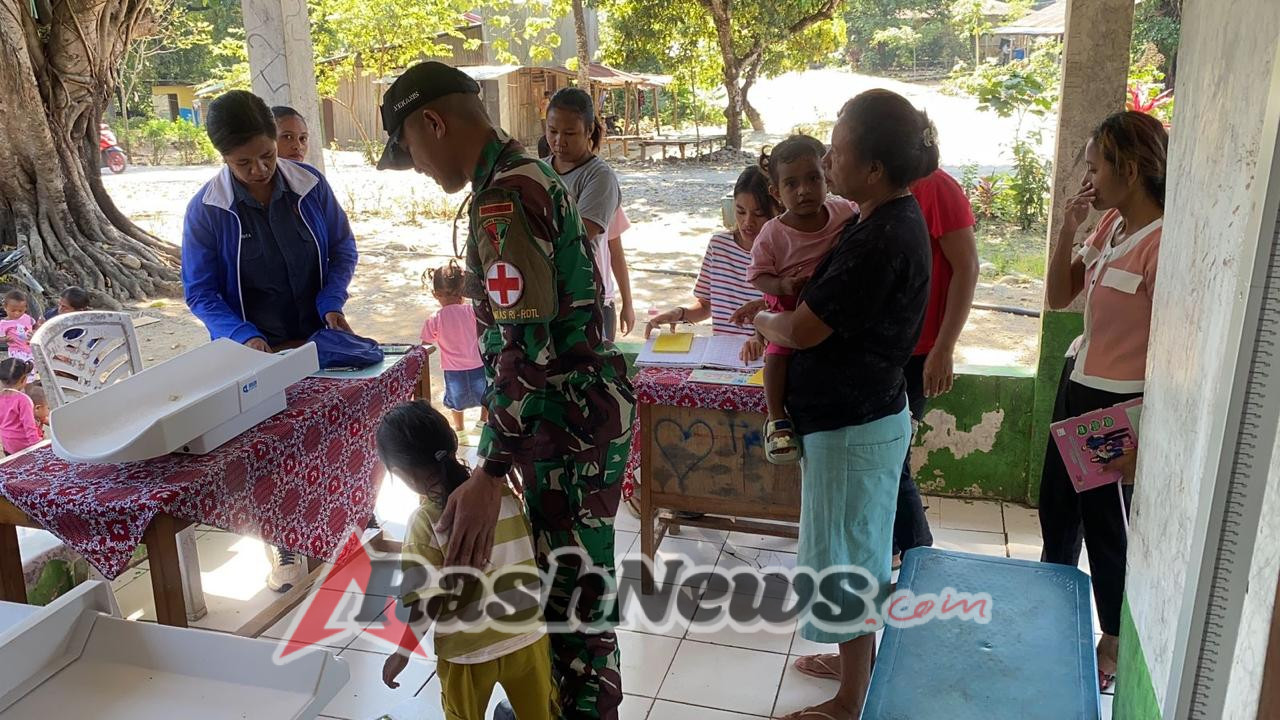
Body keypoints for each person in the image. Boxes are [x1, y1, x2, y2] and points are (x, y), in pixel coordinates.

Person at [377, 61, 635, 718]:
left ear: (432, 122)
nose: (420, 168)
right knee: (578, 615)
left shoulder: (502, 197)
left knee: (575, 631)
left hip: (562, 427)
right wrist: (472, 287)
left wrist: (490, 471)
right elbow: (551, 298)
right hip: (577, 419)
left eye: (410, 149)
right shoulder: (528, 174)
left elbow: (528, 349)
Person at [755, 89, 937, 720]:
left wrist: (763, 319)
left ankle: (849, 702)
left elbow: (803, 329)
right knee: (847, 548)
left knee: (848, 562)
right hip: (857, 419)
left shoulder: (881, 235)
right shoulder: (875, 218)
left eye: (837, 149)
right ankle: (852, 657)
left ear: (876, 168)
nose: (828, 161)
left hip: (854, 426)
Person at [181, 89, 359, 593]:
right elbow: (200, 291)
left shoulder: (309, 186)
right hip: (253, 350)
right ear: (222, 157)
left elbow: (343, 249)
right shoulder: (208, 210)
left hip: (316, 337)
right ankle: (284, 542)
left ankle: (341, 519)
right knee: (270, 449)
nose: (260, 169)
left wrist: (331, 300)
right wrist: (246, 337)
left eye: (267, 154)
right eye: (245, 162)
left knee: (329, 430)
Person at [1039, 110, 1167, 691]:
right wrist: (1070, 226)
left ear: (1131, 169)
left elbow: (1174, 351)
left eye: (1096, 167)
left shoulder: (1162, 242)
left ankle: (1110, 642)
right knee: (1057, 507)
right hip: (1078, 383)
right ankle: (1050, 608)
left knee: (1105, 525)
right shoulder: (1110, 224)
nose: (1088, 178)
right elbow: (1060, 295)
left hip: (1116, 404)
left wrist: (1151, 434)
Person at [378, 401, 554, 720]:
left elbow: (426, 604)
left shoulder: (425, 523)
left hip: (466, 653)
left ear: (402, 474)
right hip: (527, 637)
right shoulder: (499, 495)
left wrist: (402, 653)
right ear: (452, 442)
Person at [748, 136, 856, 465]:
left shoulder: (843, 211)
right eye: (791, 184)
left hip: (828, 311)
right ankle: (777, 418)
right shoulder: (773, 233)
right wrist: (781, 284)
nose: (804, 191)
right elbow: (757, 276)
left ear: (828, 177)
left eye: (813, 179)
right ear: (776, 193)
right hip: (788, 309)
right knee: (777, 356)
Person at [644, 166, 779, 341]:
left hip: (767, 357)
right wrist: (679, 313)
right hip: (721, 353)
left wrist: (759, 339)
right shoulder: (719, 246)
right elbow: (706, 305)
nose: (748, 222)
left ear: (777, 210)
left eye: (758, 214)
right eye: (740, 211)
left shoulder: (784, 252)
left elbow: (786, 312)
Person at [544, 88, 635, 343]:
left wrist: (627, 302)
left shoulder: (599, 177)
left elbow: (577, 236)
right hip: (545, 296)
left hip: (583, 299)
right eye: (552, 131)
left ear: (588, 132)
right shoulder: (538, 171)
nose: (559, 141)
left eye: (570, 133)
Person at [421, 261, 489, 433]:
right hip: (477, 364)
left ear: (435, 294)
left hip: (453, 369)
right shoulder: (471, 311)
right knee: (486, 396)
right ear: (463, 292)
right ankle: (482, 422)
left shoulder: (435, 318)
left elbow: (425, 344)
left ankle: (459, 428)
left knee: (455, 401)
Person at [0, 359, 43, 455]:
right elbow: (29, 427)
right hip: (23, 444)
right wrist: (38, 448)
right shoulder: (23, 400)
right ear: (23, 380)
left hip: (7, 444)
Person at [1, 291, 35, 365]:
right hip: (15, 351)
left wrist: (34, 332)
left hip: (30, 349)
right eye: (13, 311)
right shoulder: (3, 323)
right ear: (5, 308)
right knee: (19, 370)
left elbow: (35, 326)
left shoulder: (27, 318)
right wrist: (5, 339)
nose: (17, 313)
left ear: (25, 308)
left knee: (31, 369)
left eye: (20, 311)